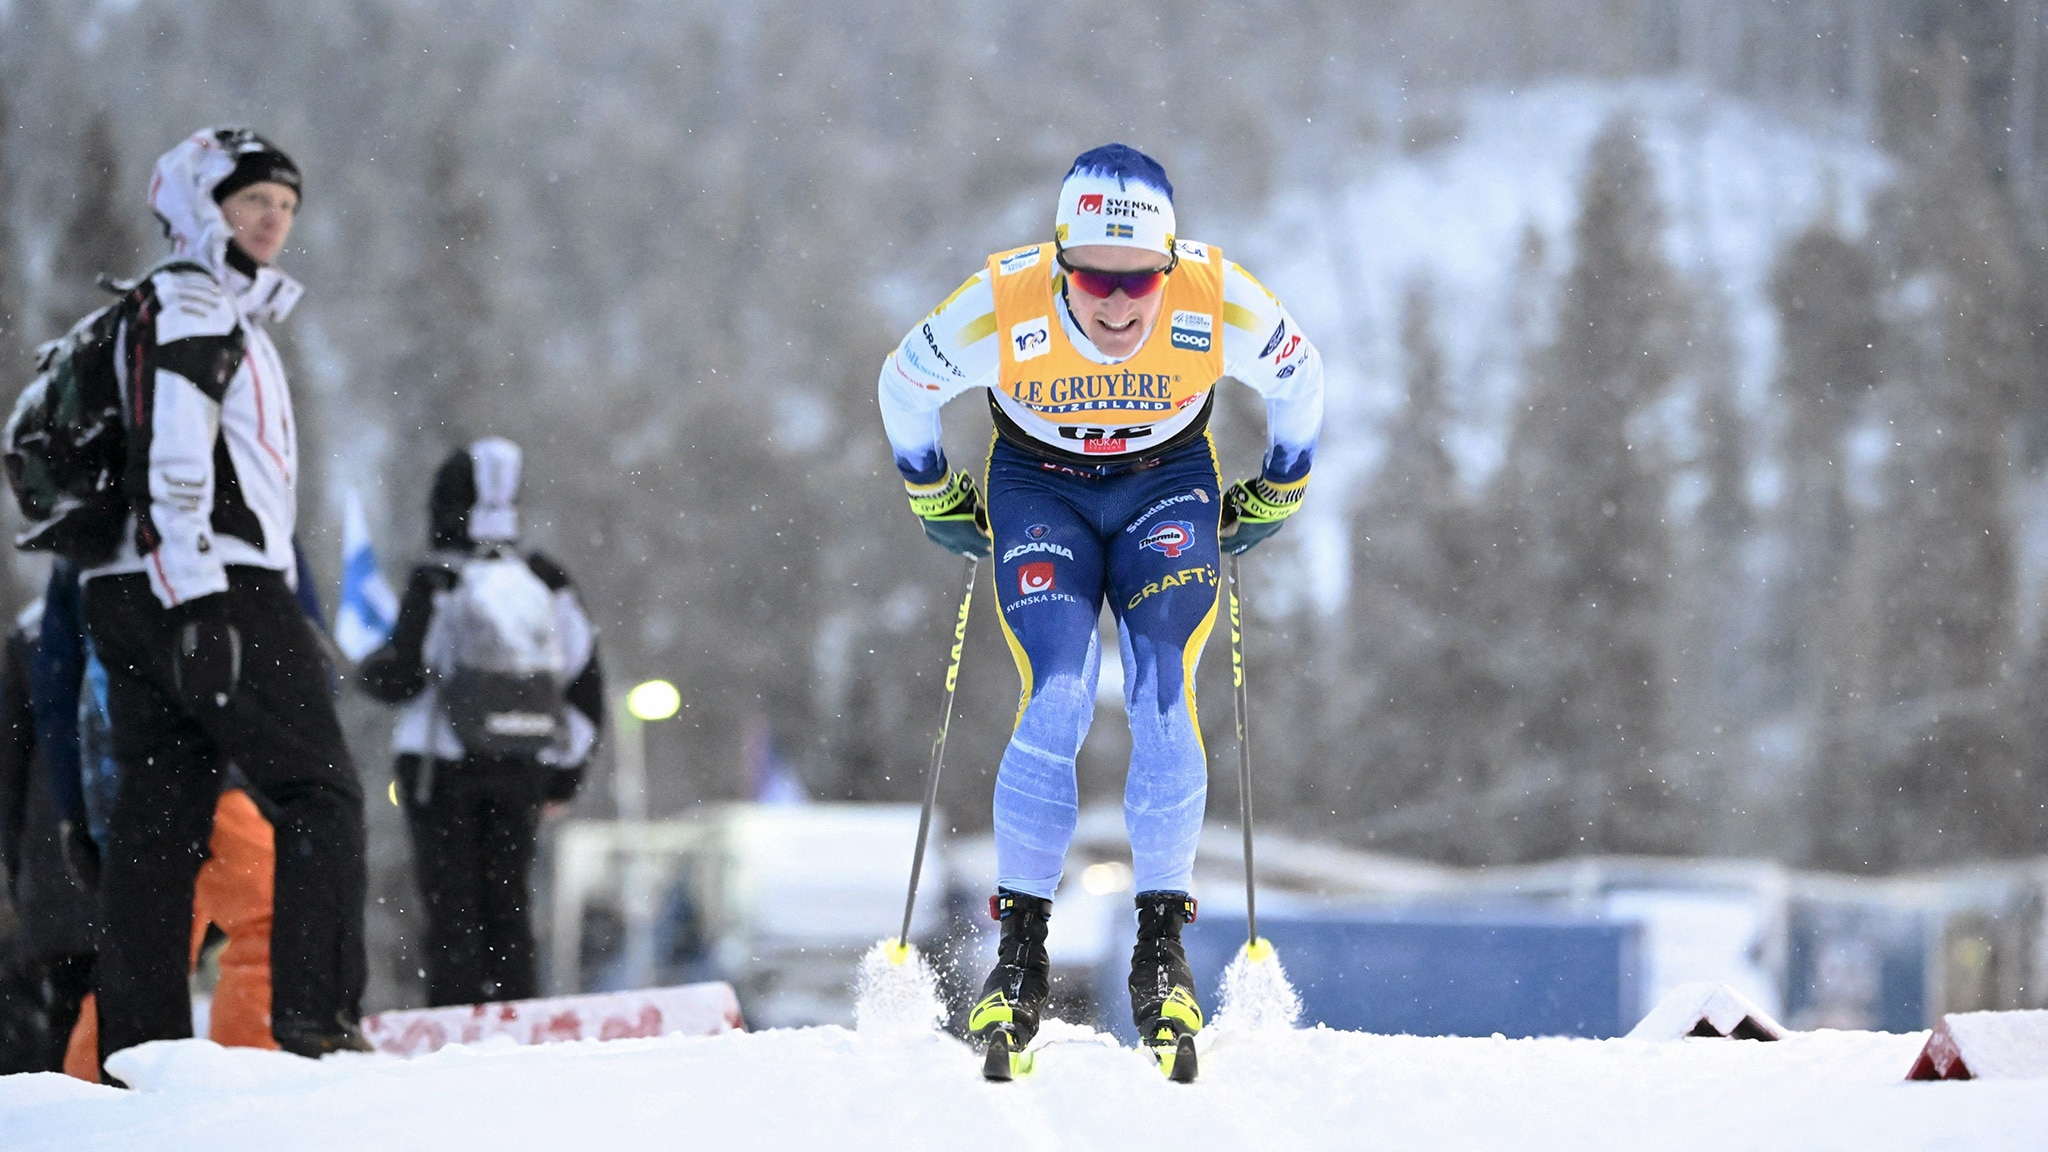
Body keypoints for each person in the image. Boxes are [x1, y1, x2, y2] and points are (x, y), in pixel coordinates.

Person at [876, 144, 1323, 1079]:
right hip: (1042, 490)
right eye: (1093, 279)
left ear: (1169, 264)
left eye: (1139, 282)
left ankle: (1162, 951)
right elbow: (902, 383)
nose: (1118, 304)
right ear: (1060, 263)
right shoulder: (1001, 302)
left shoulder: (1218, 295)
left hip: (1167, 486)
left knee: (1165, 692)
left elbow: (1301, 378)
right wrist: (930, 488)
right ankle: (1020, 957)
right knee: (1059, 696)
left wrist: (1283, 483)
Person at [79, 127, 367, 1069]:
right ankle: (315, 1022)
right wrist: (201, 599)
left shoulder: (153, 306)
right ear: (204, 209)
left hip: (125, 583)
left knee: (158, 822)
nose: (273, 222)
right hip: (211, 577)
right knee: (321, 792)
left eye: (285, 207)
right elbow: (174, 453)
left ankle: (139, 1049)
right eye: (252, 203)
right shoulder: (199, 301)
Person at [359, 439, 603, 1007]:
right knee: (510, 903)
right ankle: (516, 1022)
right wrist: (564, 776)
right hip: (521, 764)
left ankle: (456, 1030)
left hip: (438, 771)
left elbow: (405, 675)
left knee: (451, 910)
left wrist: (362, 671)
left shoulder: (438, 579)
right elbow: (585, 677)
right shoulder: (547, 579)